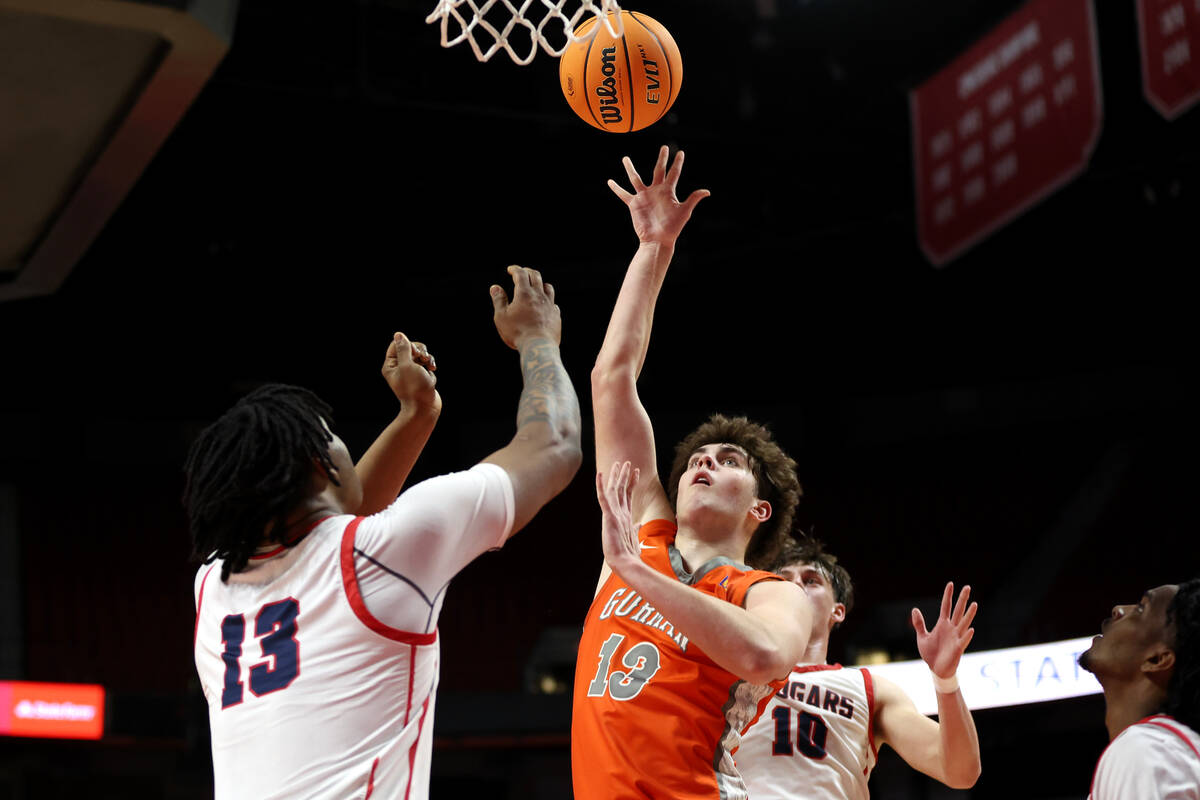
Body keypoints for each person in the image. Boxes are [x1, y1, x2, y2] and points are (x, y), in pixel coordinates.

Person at [185, 265, 581, 800]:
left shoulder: (213, 585)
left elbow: (336, 529)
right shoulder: (381, 557)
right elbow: (555, 444)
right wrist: (537, 336)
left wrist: (417, 415)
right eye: (336, 437)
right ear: (321, 464)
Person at [572, 145, 814, 800]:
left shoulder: (768, 592)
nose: (705, 460)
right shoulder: (641, 533)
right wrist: (654, 249)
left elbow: (762, 658)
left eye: (730, 461)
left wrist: (629, 572)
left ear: (758, 510)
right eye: (698, 458)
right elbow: (611, 379)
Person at [735, 537, 982, 798]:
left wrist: (945, 680)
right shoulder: (729, 674)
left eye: (811, 580)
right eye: (782, 581)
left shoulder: (870, 689)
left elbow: (960, 771)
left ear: (837, 611)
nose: (795, 586)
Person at [1078, 578, 1200, 799]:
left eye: (1142, 608)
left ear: (1157, 659)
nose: (1119, 610)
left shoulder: (1146, 752)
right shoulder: (1164, 752)